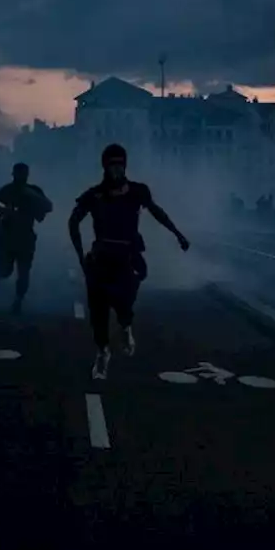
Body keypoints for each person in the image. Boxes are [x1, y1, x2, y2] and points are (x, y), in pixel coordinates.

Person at [69, 143, 189, 380]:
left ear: (125, 165)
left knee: (124, 303)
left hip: (128, 256)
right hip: (101, 256)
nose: (116, 169)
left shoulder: (137, 191)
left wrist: (178, 233)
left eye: (120, 163)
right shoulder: (94, 195)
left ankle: (125, 326)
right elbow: (73, 222)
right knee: (98, 310)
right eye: (112, 164)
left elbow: (157, 212)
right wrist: (80, 255)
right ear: (105, 166)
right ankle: (103, 352)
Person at [0, 162, 53, 312]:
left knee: (24, 272)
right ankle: (5, 281)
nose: (20, 177)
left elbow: (48, 206)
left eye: (23, 174)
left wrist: (33, 198)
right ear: (13, 174)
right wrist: (6, 211)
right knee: (4, 271)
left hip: (25, 238)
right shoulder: (5, 191)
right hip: (6, 238)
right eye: (18, 174)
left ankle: (19, 299)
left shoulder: (33, 191)